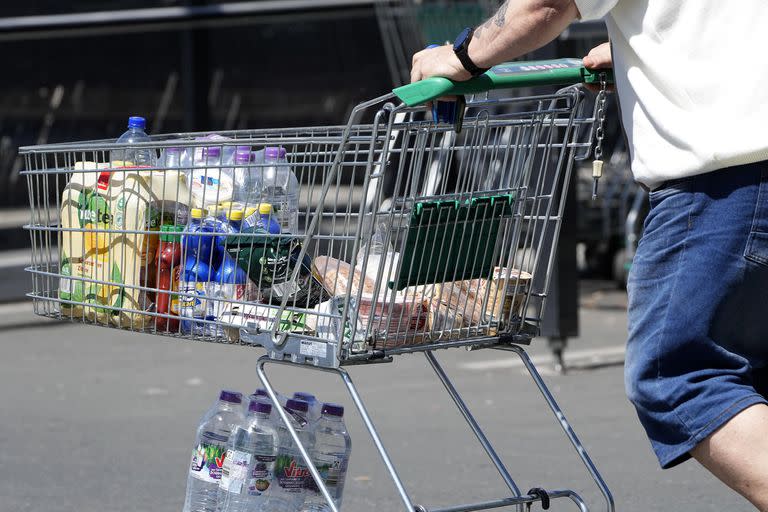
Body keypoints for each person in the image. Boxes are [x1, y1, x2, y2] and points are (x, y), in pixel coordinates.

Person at [411, 0, 768, 509]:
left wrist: (462, 55)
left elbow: (545, 5)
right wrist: (635, 46)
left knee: (680, 377)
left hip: (727, 174)